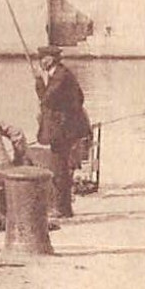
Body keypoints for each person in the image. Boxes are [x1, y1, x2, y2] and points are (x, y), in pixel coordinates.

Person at [33, 46, 90, 217]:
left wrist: (38, 82)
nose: (40, 62)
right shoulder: (61, 74)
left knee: (59, 168)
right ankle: (64, 208)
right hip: (66, 129)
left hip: (63, 131)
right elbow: (79, 97)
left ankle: (61, 208)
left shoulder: (60, 76)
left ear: (51, 59)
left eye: (43, 58)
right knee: (61, 167)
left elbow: (47, 99)